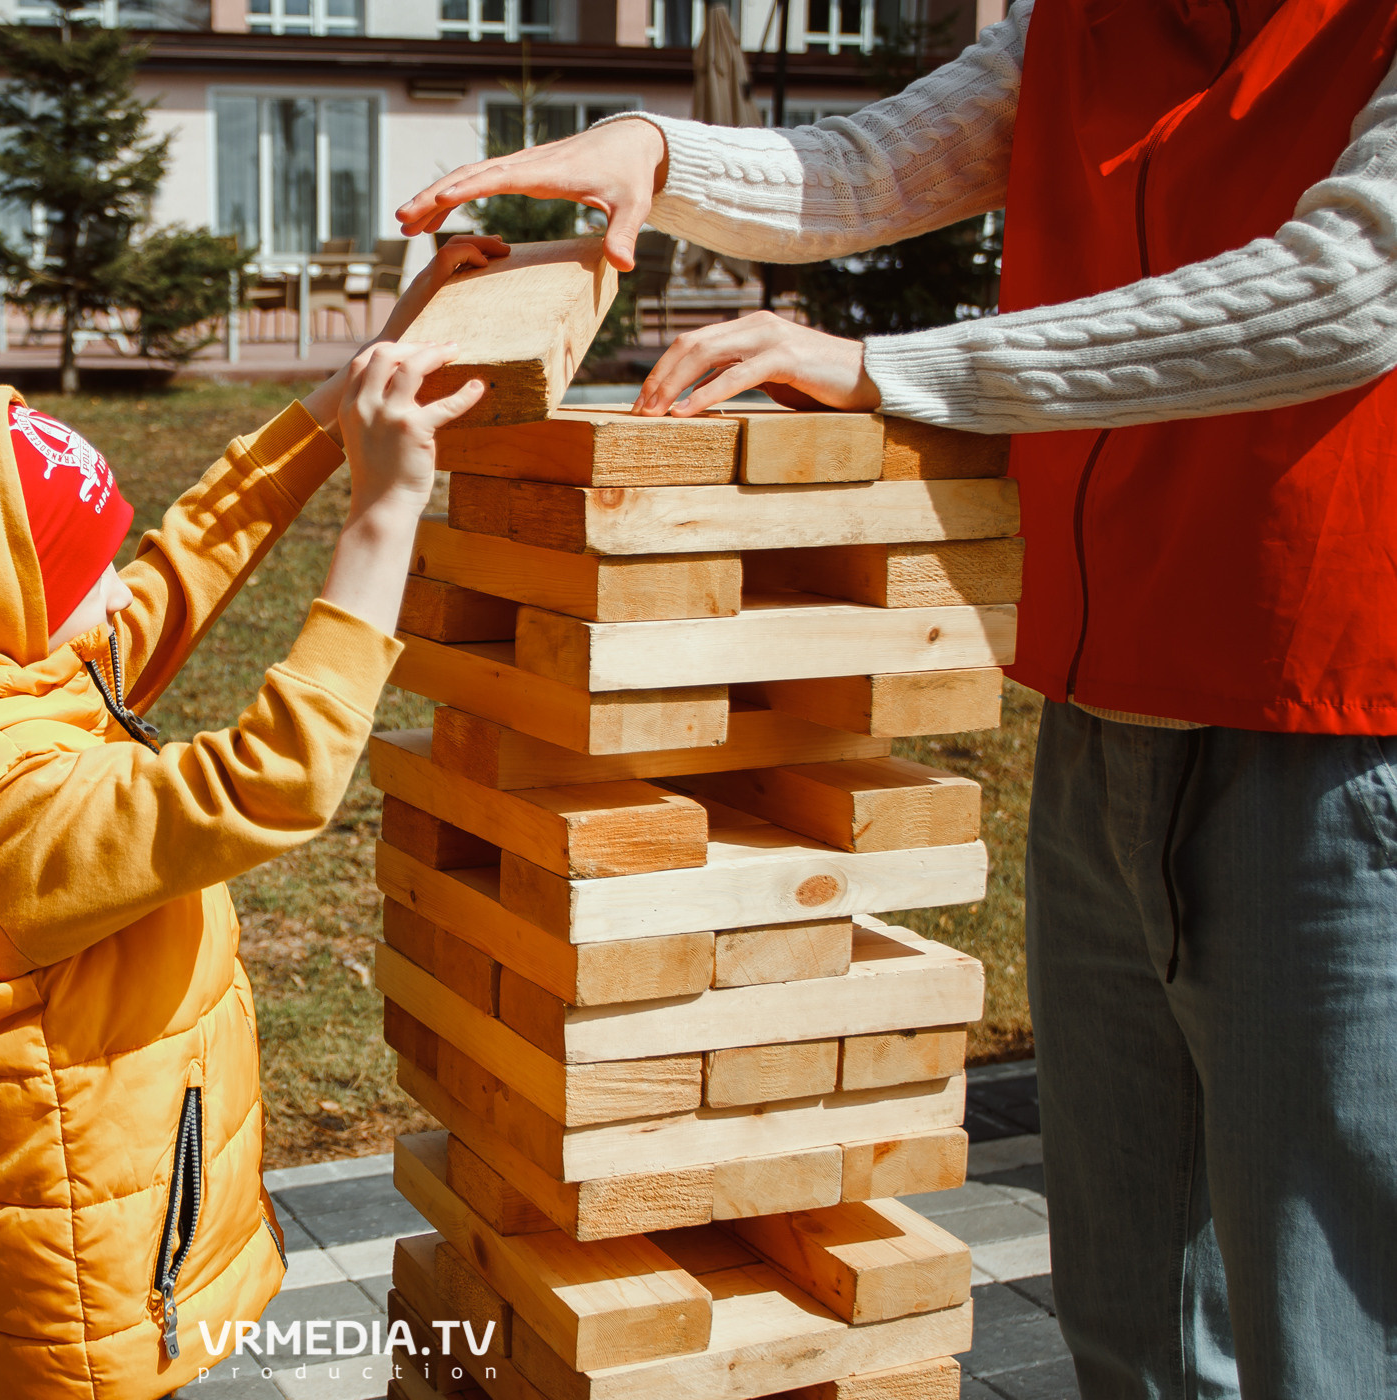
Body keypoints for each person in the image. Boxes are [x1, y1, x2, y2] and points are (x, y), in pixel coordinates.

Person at [398, 5, 1397, 1396]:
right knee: (1135, 1328)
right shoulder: (1084, 19)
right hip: (1105, 718)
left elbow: (1351, 288)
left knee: (1320, 1334)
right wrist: (652, 152)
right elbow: (871, 165)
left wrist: (894, 369)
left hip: (1341, 734)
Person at [0, 236, 505, 1400]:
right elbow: (266, 781)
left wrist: (323, 415)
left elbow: (181, 563)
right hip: (88, 1293)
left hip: (114, 1221)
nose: (115, 592)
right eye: (83, 570)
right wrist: (384, 513)